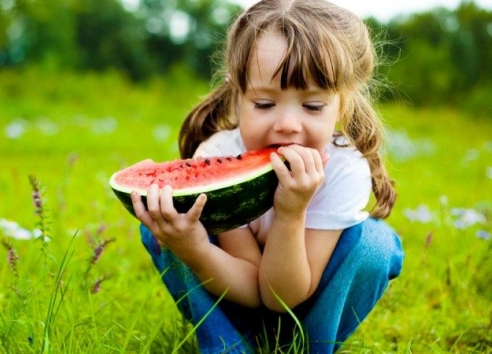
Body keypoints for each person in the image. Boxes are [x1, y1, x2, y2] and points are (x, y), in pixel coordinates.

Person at [130, 0, 404, 352]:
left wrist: (291, 212)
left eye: (312, 106)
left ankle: (308, 348)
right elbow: (252, 287)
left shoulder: (344, 169)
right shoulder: (218, 155)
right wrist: (193, 248)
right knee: (167, 227)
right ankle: (228, 346)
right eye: (264, 104)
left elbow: (280, 299)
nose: (288, 125)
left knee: (375, 244)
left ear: (342, 102)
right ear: (238, 94)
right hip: (230, 293)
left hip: (305, 304)